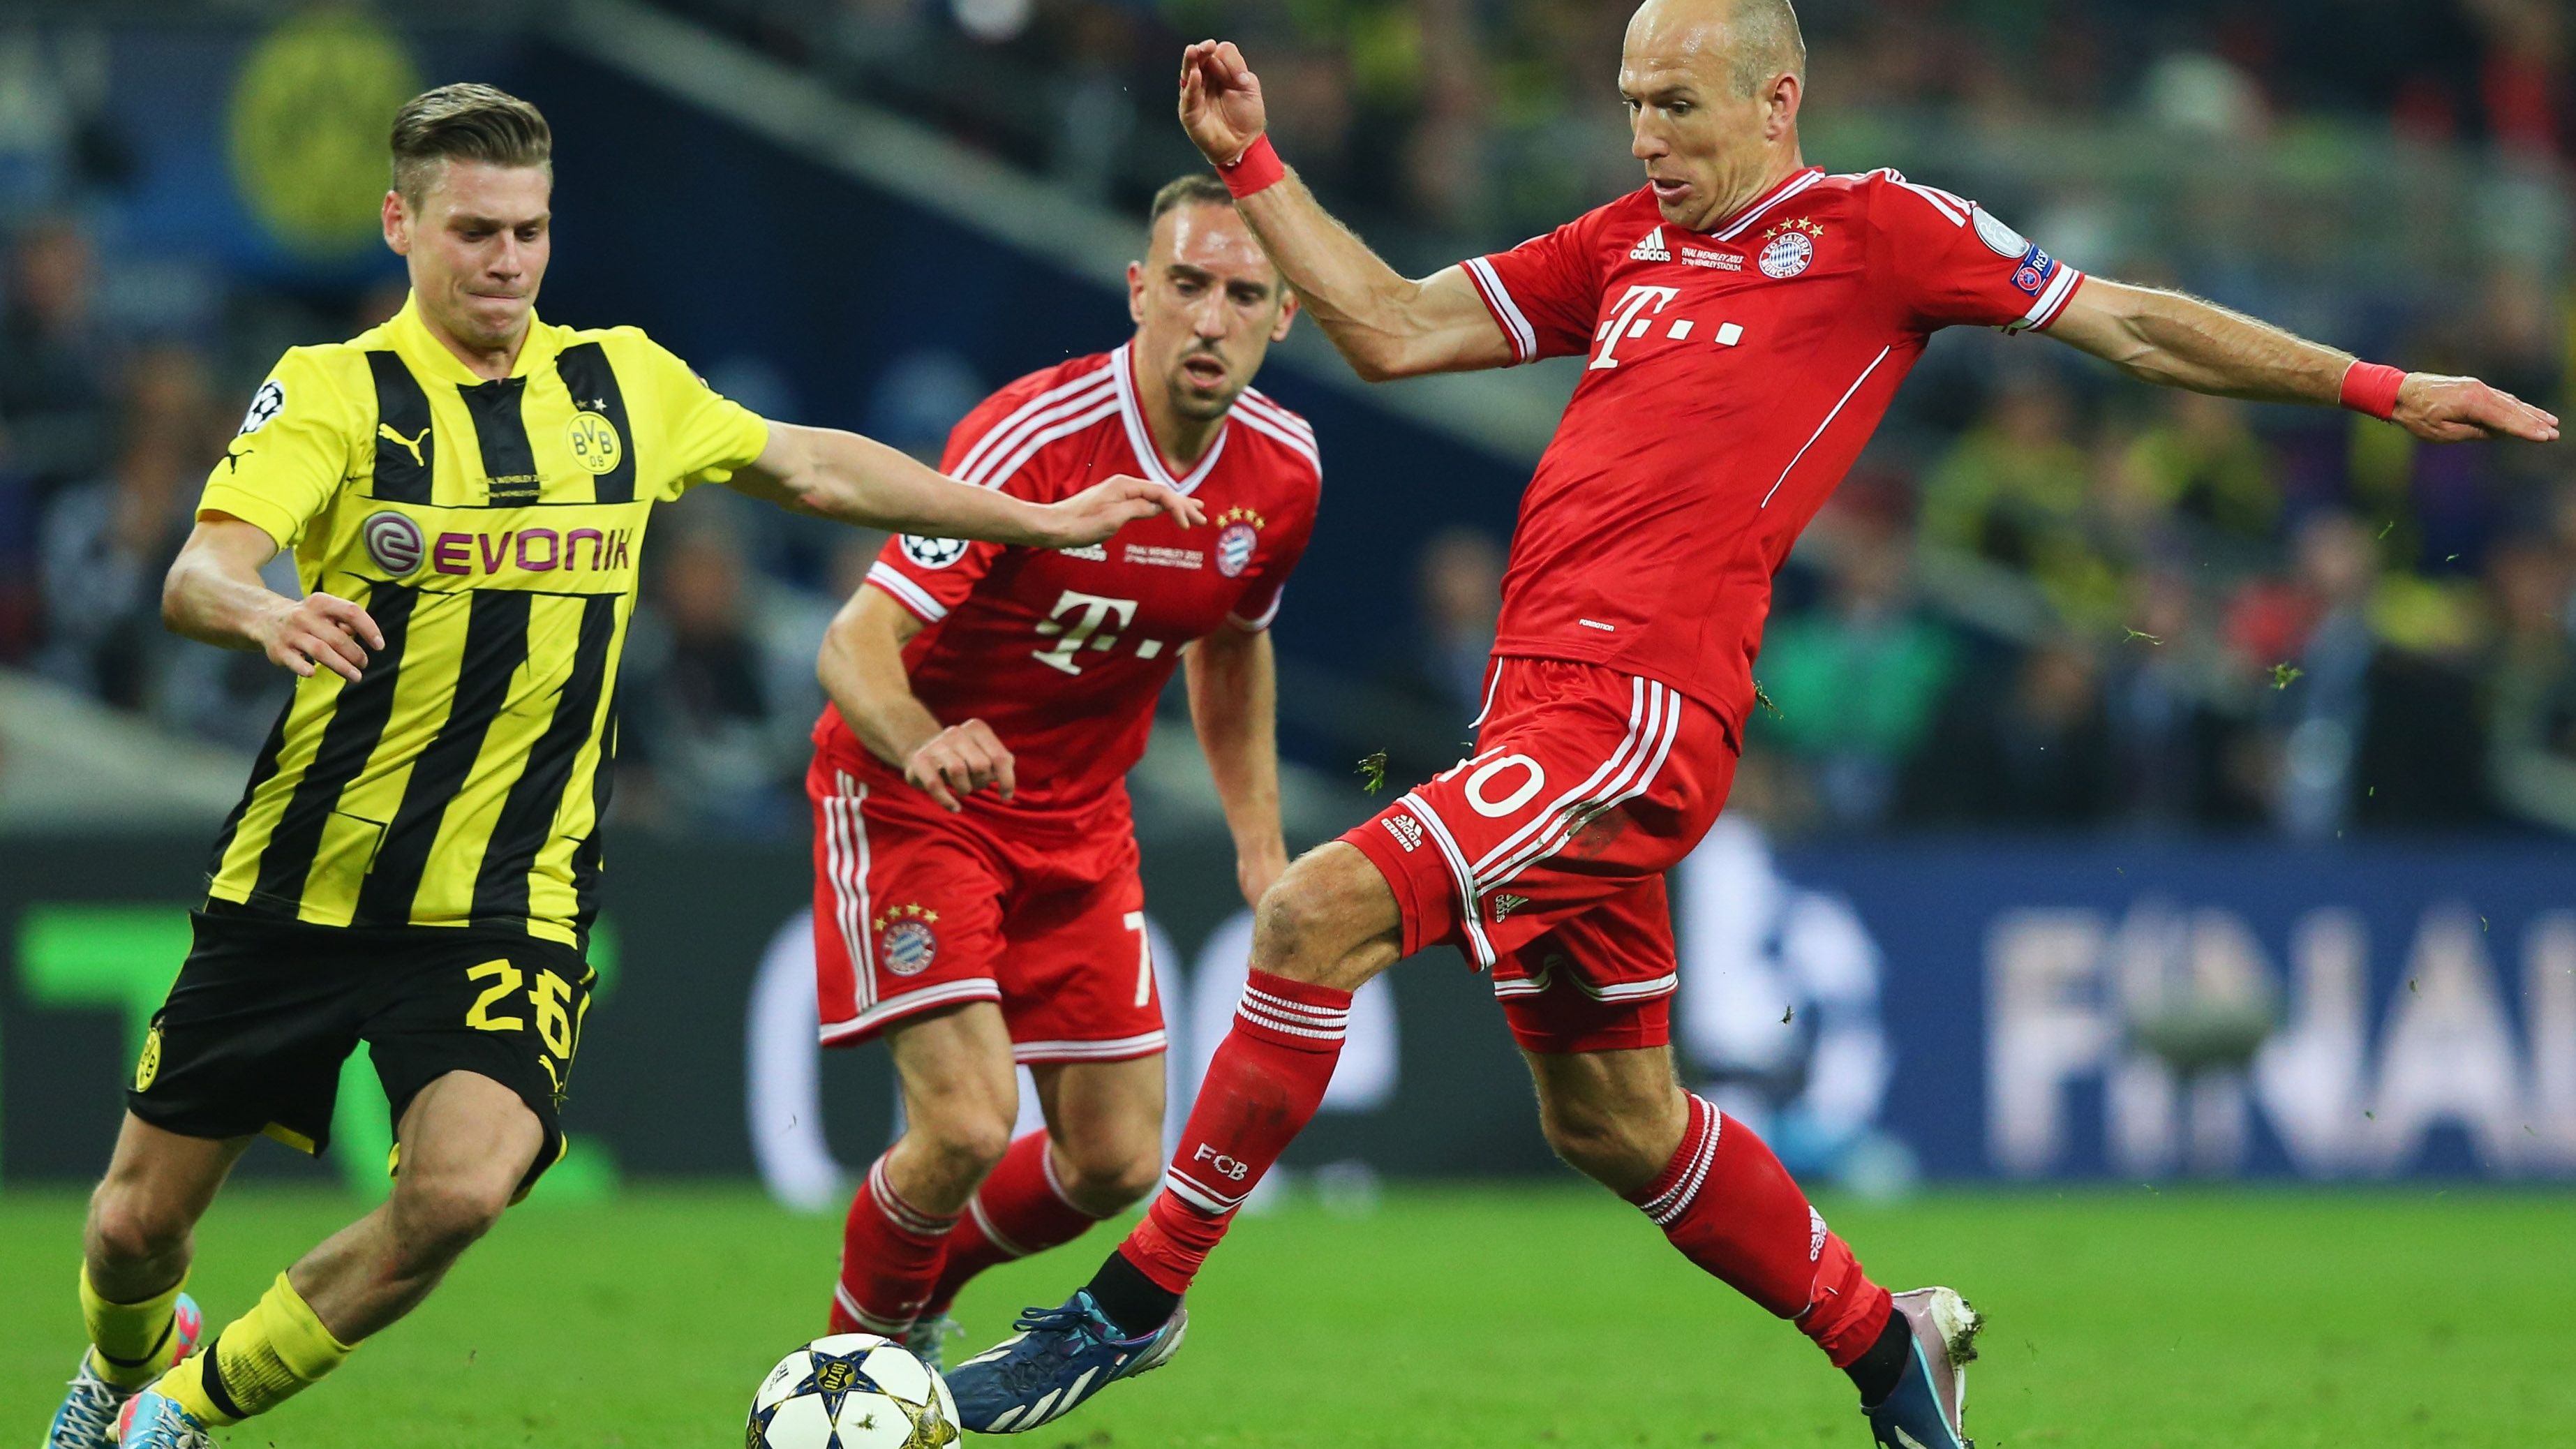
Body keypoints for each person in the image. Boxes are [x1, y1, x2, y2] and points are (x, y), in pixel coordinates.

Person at [945, 2, 2559, 1444]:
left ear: (1777, 101)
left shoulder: (1877, 232)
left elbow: (2123, 321)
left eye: (1680, 107)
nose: (1647, 137)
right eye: (1633, 102)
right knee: (1610, 1119)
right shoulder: (1619, 248)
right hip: (1538, 713)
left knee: (1310, 916)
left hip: (1636, 715)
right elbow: (1386, 325)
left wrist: (2374, 390)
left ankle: (1128, 1308)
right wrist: (1261, 160)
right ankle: (1889, 1347)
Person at [53, 83, 1197, 1449]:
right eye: (475, 230)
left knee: (461, 1192)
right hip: (305, 879)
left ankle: (181, 1412)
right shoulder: (334, 391)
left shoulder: (621, 385)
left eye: (530, 231)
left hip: (510, 900)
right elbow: (201, 570)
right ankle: (130, 1358)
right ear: (400, 225)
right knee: (132, 1230)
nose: (508, 261)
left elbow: (814, 469)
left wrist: (1034, 519)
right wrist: (268, 608)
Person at [808, 174, 1316, 1367]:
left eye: (1244, 295)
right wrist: (923, 738)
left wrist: (1259, 843)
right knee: (968, 1123)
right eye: (1187, 285)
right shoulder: (1031, 439)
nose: (1210, 318)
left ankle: (918, 1294)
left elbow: (1234, 644)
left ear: (1283, 317)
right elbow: (854, 641)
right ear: (1139, 291)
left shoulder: (1283, 475)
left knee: (1114, 1163)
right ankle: (847, 1379)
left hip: (1081, 824)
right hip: (917, 795)